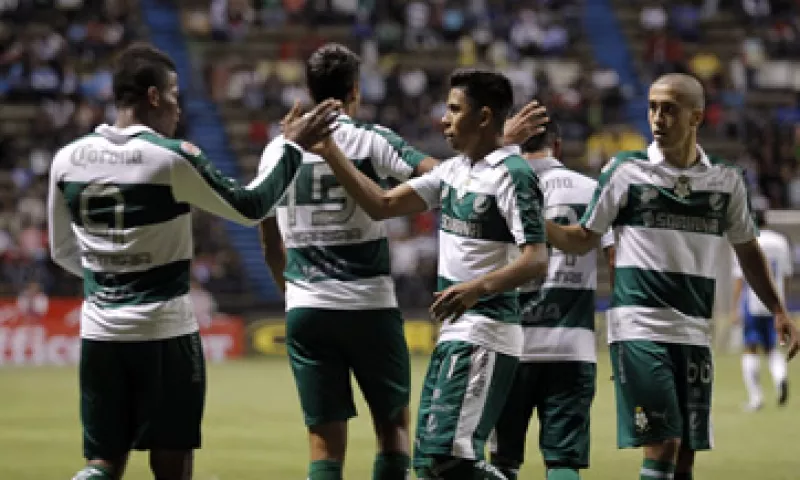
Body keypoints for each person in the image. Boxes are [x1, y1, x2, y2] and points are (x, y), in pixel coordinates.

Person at [47, 43, 340, 480]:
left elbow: (62, 250)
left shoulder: (66, 159)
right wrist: (289, 146)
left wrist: (111, 276)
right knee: (171, 462)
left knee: (103, 462)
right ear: (152, 96)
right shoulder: (169, 157)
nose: (178, 108)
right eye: (174, 95)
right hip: (164, 331)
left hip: (100, 331)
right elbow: (251, 206)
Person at [258, 43, 548, 480]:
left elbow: (536, 258)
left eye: (453, 109)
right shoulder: (437, 166)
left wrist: (475, 288)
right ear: (355, 90)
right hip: (399, 315)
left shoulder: (277, 152)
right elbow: (381, 202)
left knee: (436, 457)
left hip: (480, 327)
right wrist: (331, 151)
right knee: (421, 451)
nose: (443, 119)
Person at [544, 72, 800, 480]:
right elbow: (581, 239)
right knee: (664, 444)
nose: (657, 117)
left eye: (669, 109)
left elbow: (748, 250)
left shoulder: (725, 182)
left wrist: (778, 309)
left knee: (685, 457)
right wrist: (535, 224)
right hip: (639, 328)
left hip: (694, 333)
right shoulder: (625, 171)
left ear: (696, 117)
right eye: (652, 107)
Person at [489, 120, 615, 480]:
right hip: (571, 345)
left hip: (510, 344)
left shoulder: (498, 187)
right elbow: (615, 259)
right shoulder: (592, 189)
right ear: (557, 146)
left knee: (502, 462)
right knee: (563, 461)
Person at [732, 207, 792, 411]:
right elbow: (786, 274)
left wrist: (734, 307)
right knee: (772, 348)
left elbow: (741, 276)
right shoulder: (781, 241)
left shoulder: (747, 241)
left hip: (752, 302)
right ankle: (780, 377)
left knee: (750, 348)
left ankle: (756, 398)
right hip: (776, 304)